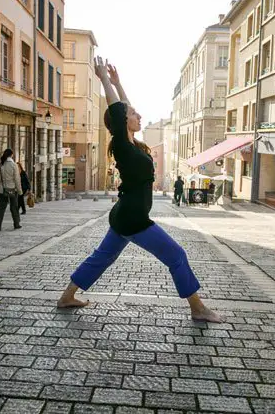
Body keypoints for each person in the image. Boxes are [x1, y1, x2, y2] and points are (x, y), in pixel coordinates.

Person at [57, 57, 223, 323]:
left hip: (123, 215)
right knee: (177, 255)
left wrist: (118, 84)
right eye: (133, 114)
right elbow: (118, 110)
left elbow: (123, 109)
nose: (139, 115)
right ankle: (198, 308)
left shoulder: (133, 144)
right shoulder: (121, 144)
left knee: (102, 258)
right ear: (124, 121)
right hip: (133, 218)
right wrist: (104, 81)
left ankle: (67, 297)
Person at [0, 148, 22, 231]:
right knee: (14, 207)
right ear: (11, 155)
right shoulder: (14, 165)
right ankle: (16, 224)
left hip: (2, 189)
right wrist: (20, 191)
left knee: (0, 208)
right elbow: (17, 179)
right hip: (12, 189)